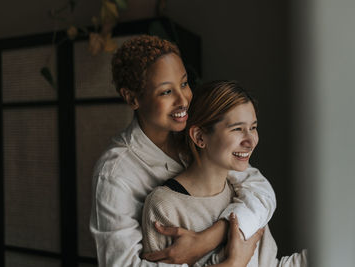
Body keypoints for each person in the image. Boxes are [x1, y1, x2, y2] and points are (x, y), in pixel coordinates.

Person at [90, 35, 276, 267]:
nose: (183, 100)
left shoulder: (196, 132)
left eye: (184, 83)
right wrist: (232, 264)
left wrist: (210, 237)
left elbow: (260, 190)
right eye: (166, 92)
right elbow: (121, 264)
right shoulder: (115, 172)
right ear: (132, 98)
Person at [142, 80, 308, 267]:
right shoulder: (164, 206)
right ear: (199, 137)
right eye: (237, 129)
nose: (251, 141)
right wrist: (234, 263)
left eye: (253, 127)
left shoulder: (245, 195)